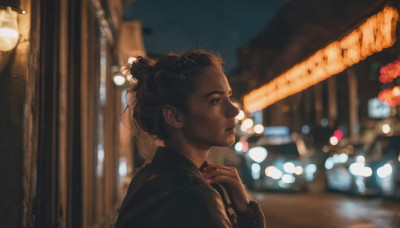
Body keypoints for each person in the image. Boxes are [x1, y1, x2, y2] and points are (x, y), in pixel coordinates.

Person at [115, 50, 266, 228]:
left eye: (229, 97)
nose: (234, 110)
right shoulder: (196, 197)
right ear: (174, 117)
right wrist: (246, 215)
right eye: (216, 100)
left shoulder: (148, 174)